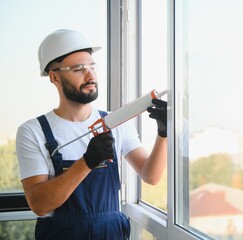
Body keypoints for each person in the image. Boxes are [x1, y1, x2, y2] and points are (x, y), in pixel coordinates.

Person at [15, 29, 167, 240]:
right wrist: (87, 161)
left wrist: (163, 133)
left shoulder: (116, 122)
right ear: (55, 77)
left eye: (92, 67)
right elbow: (40, 205)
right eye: (78, 69)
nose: (90, 75)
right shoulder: (33, 131)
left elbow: (151, 175)